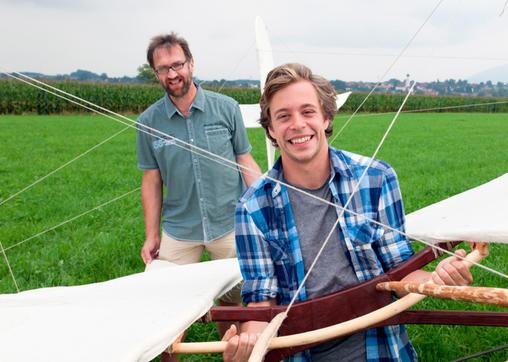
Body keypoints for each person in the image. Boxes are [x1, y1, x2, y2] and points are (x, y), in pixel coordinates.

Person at [223, 63, 473, 361]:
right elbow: (261, 304)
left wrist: (437, 281)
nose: (297, 124)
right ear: (271, 130)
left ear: (326, 117)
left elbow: (403, 273)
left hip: (382, 351)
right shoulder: (252, 207)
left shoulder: (376, 178)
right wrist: (249, 345)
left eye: (308, 112)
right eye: (283, 116)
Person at [135, 33, 261, 334]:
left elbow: (245, 161)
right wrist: (151, 235)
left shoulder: (226, 108)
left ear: (191, 63)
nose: (172, 73)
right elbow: (151, 181)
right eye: (163, 68)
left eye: (178, 64)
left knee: (233, 307)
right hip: (180, 229)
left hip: (228, 223)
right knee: (165, 311)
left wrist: (261, 213)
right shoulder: (148, 121)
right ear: (156, 73)